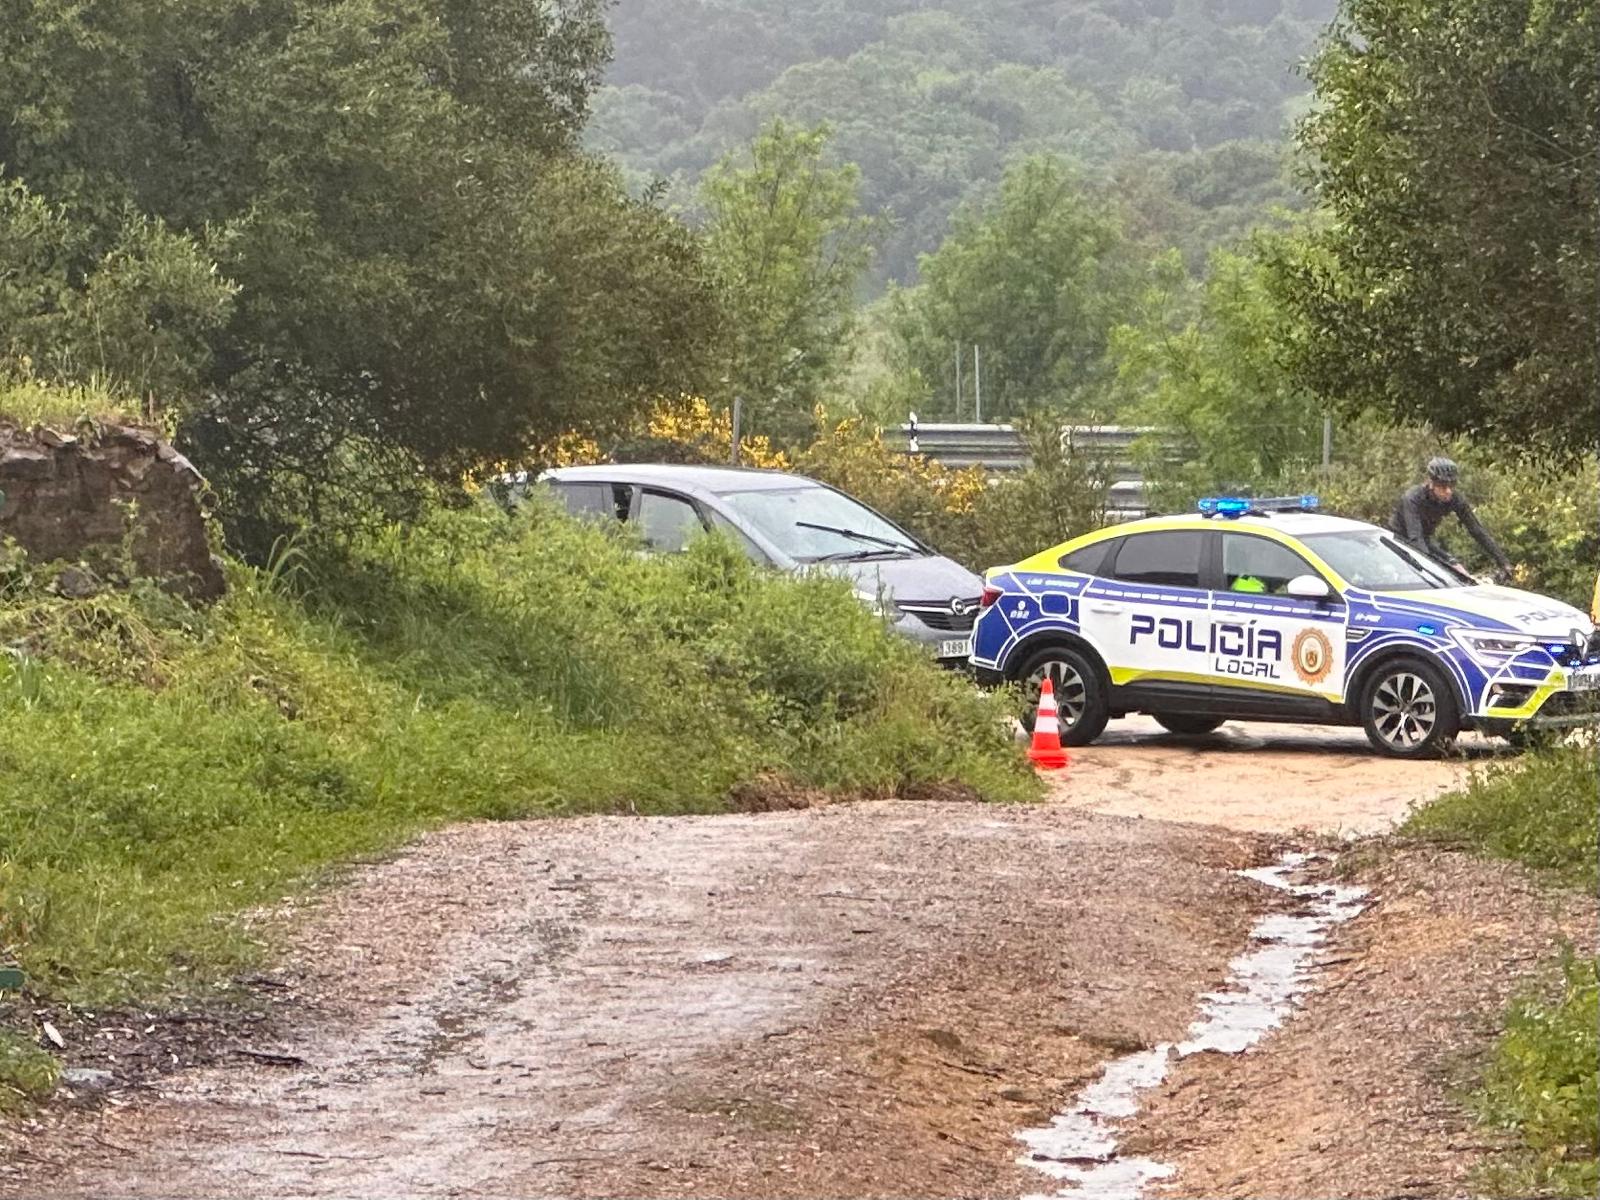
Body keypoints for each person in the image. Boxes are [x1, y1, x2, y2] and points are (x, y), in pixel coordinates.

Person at [1390, 457, 1512, 580]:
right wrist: (1435, 567)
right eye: (1443, 486)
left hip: (1424, 542)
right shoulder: (1413, 498)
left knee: (1461, 574)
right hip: (1398, 541)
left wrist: (1503, 562)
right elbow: (1415, 538)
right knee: (1439, 574)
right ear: (1431, 483)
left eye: (1452, 485)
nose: (1448, 491)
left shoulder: (1455, 499)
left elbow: (1477, 530)